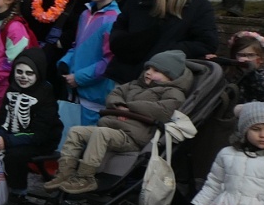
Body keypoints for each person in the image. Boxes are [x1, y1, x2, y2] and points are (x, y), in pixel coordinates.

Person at [48, 49, 192, 195]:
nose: (148, 72)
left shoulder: (173, 93)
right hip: (113, 128)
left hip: (133, 136)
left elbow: (163, 111)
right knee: (76, 132)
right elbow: (115, 94)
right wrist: (119, 105)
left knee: (101, 134)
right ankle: (65, 172)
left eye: (156, 71)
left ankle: (85, 177)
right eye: (148, 68)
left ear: (170, 76)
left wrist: (130, 108)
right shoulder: (135, 84)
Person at [0, 49, 62, 205]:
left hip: (40, 141)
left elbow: (40, 134)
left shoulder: (46, 95)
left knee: (15, 155)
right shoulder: (11, 89)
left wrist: (7, 141)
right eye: (19, 72)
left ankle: (18, 197)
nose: (23, 77)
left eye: (29, 73)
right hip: (13, 135)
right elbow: (1, 121)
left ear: (38, 73)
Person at [58, 0, 125, 125]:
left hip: (94, 94)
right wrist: (64, 63)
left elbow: (108, 60)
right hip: (75, 89)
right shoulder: (85, 14)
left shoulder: (114, 19)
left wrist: (80, 78)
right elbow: (77, 45)